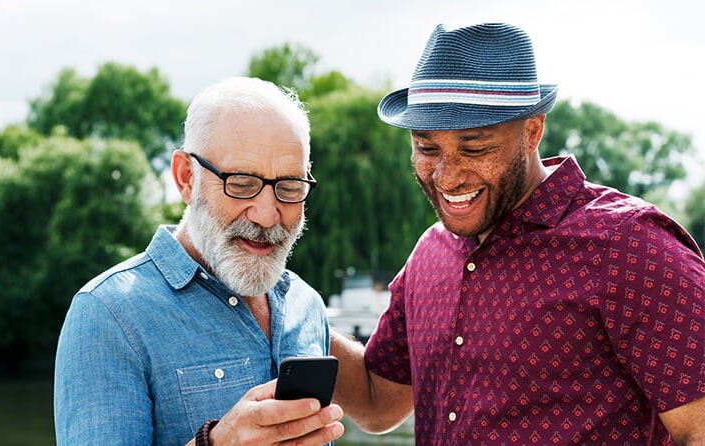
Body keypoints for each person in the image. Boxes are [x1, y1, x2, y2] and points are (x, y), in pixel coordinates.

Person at [330, 23, 705, 445]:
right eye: (427, 147)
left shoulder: (631, 246)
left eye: (475, 148)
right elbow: (377, 402)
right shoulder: (428, 254)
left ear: (532, 130)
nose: (447, 176)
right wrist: (279, 306)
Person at [54, 77, 344, 446]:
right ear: (186, 178)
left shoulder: (306, 304)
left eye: (289, 188)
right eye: (241, 183)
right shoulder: (108, 314)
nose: (268, 215)